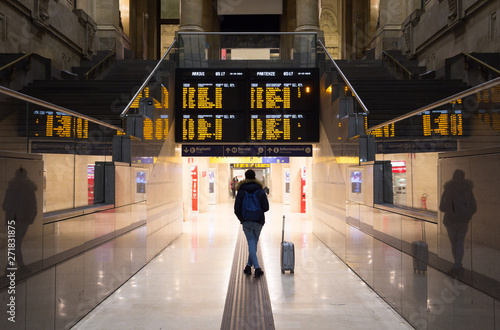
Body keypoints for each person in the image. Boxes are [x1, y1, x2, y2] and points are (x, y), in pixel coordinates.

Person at [439, 169, 477, 276]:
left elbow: (441, 207)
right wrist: (466, 216)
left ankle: (457, 266)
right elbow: (474, 207)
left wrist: (450, 210)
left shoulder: (448, 189)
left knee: (454, 243)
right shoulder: (468, 190)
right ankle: (457, 265)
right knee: (460, 242)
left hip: (450, 221)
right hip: (463, 221)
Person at [234, 169, 269, 277]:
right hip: (258, 221)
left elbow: (236, 209)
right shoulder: (260, 190)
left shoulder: (241, 191)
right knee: (253, 243)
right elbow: (266, 207)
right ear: (255, 177)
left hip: (247, 222)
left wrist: (243, 219)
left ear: (245, 177)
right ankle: (257, 268)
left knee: (251, 243)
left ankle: (249, 267)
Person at [3, 167, 38, 272]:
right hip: (23, 220)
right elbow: (33, 206)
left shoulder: (10, 188)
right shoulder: (29, 189)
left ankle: (17, 265)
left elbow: (4, 206)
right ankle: (15, 266)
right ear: (26, 176)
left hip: (11, 219)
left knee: (15, 243)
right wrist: (31, 217)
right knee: (17, 243)